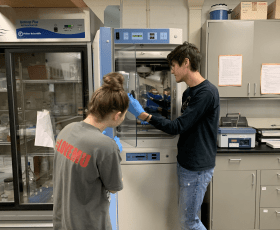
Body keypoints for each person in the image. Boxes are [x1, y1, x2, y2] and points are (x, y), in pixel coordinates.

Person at [127, 41, 220, 230]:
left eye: (174, 66)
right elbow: (185, 123)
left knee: (189, 221)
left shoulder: (206, 92)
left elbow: (178, 126)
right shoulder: (189, 92)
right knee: (190, 217)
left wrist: (146, 115)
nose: (172, 71)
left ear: (186, 63)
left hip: (197, 167)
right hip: (186, 163)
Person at [53, 72, 129, 230]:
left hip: (63, 222)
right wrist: (114, 156)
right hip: (89, 224)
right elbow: (114, 187)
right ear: (117, 115)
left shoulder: (67, 130)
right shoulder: (105, 146)